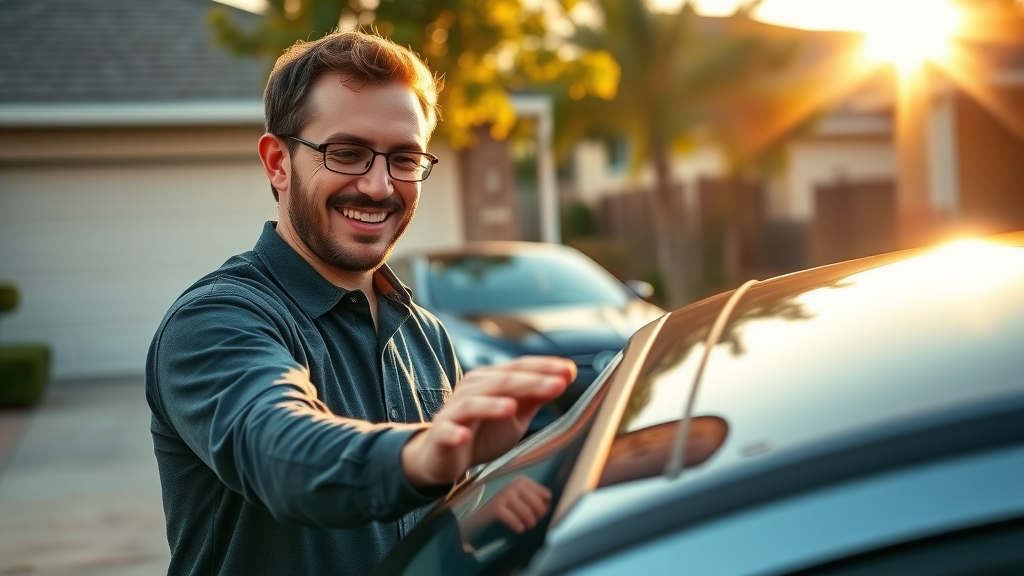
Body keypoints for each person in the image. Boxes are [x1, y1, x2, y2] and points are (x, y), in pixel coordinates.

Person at [145, 29, 576, 575]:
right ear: (279, 163)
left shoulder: (426, 334)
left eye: (404, 158)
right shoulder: (215, 321)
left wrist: (473, 516)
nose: (378, 186)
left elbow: (416, 530)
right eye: (346, 153)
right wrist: (422, 454)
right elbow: (279, 452)